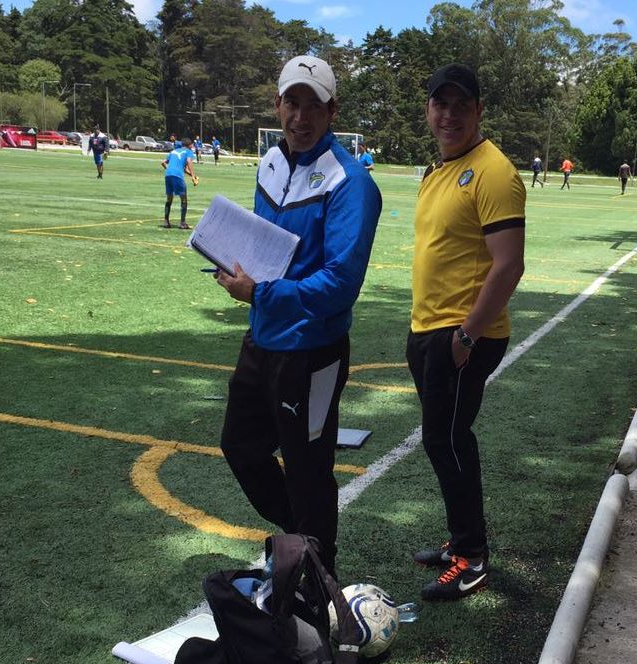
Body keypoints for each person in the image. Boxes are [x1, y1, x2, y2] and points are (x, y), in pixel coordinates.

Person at [214, 55, 382, 577]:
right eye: (292, 102)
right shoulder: (269, 164)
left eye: (313, 105)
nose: (300, 117)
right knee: (241, 447)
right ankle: (303, 542)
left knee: (309, 469)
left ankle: (317, 573)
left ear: (332, 111)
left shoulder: (351, 183)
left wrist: (260, 293)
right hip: (262, 339)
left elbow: (340, 284)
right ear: (277, 104)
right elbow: (266, 249)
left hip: (312, 352)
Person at [408, 64, 525, 601]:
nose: (448, 114)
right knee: (442, 440)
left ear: (478, 110)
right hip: (431, 329)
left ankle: (472, 557)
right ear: (429, 110)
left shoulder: (493, 171)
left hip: (462, 334)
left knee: (448, 440)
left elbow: (508, 266)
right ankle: (460, 541)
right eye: (440, 104)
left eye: (460, 104)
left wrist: (466, 337)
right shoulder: (439, 171)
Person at [161, 136, 198, 229]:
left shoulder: (174, 151)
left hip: (168, 175)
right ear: (189, 145)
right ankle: (182, 223)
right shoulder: (188, 152)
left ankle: (166, 221)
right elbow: (189, 162)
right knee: (184, 199)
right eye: (192, 144)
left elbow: (163, 162)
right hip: (178, 176)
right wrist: (193, 176)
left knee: (169, 198)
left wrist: (170, 170)